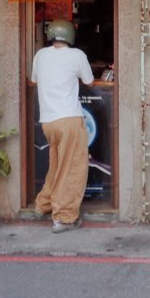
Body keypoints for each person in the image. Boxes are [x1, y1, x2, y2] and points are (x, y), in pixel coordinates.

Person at [31, 19, 94, 233]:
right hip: (69, 120)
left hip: (48, 122)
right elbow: (89, 80)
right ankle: (64, 218)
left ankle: (44, 204)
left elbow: (35, 79)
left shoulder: (40, 55)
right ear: (70, 36)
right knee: (73, 168)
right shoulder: (77, 56)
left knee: (57, 166)